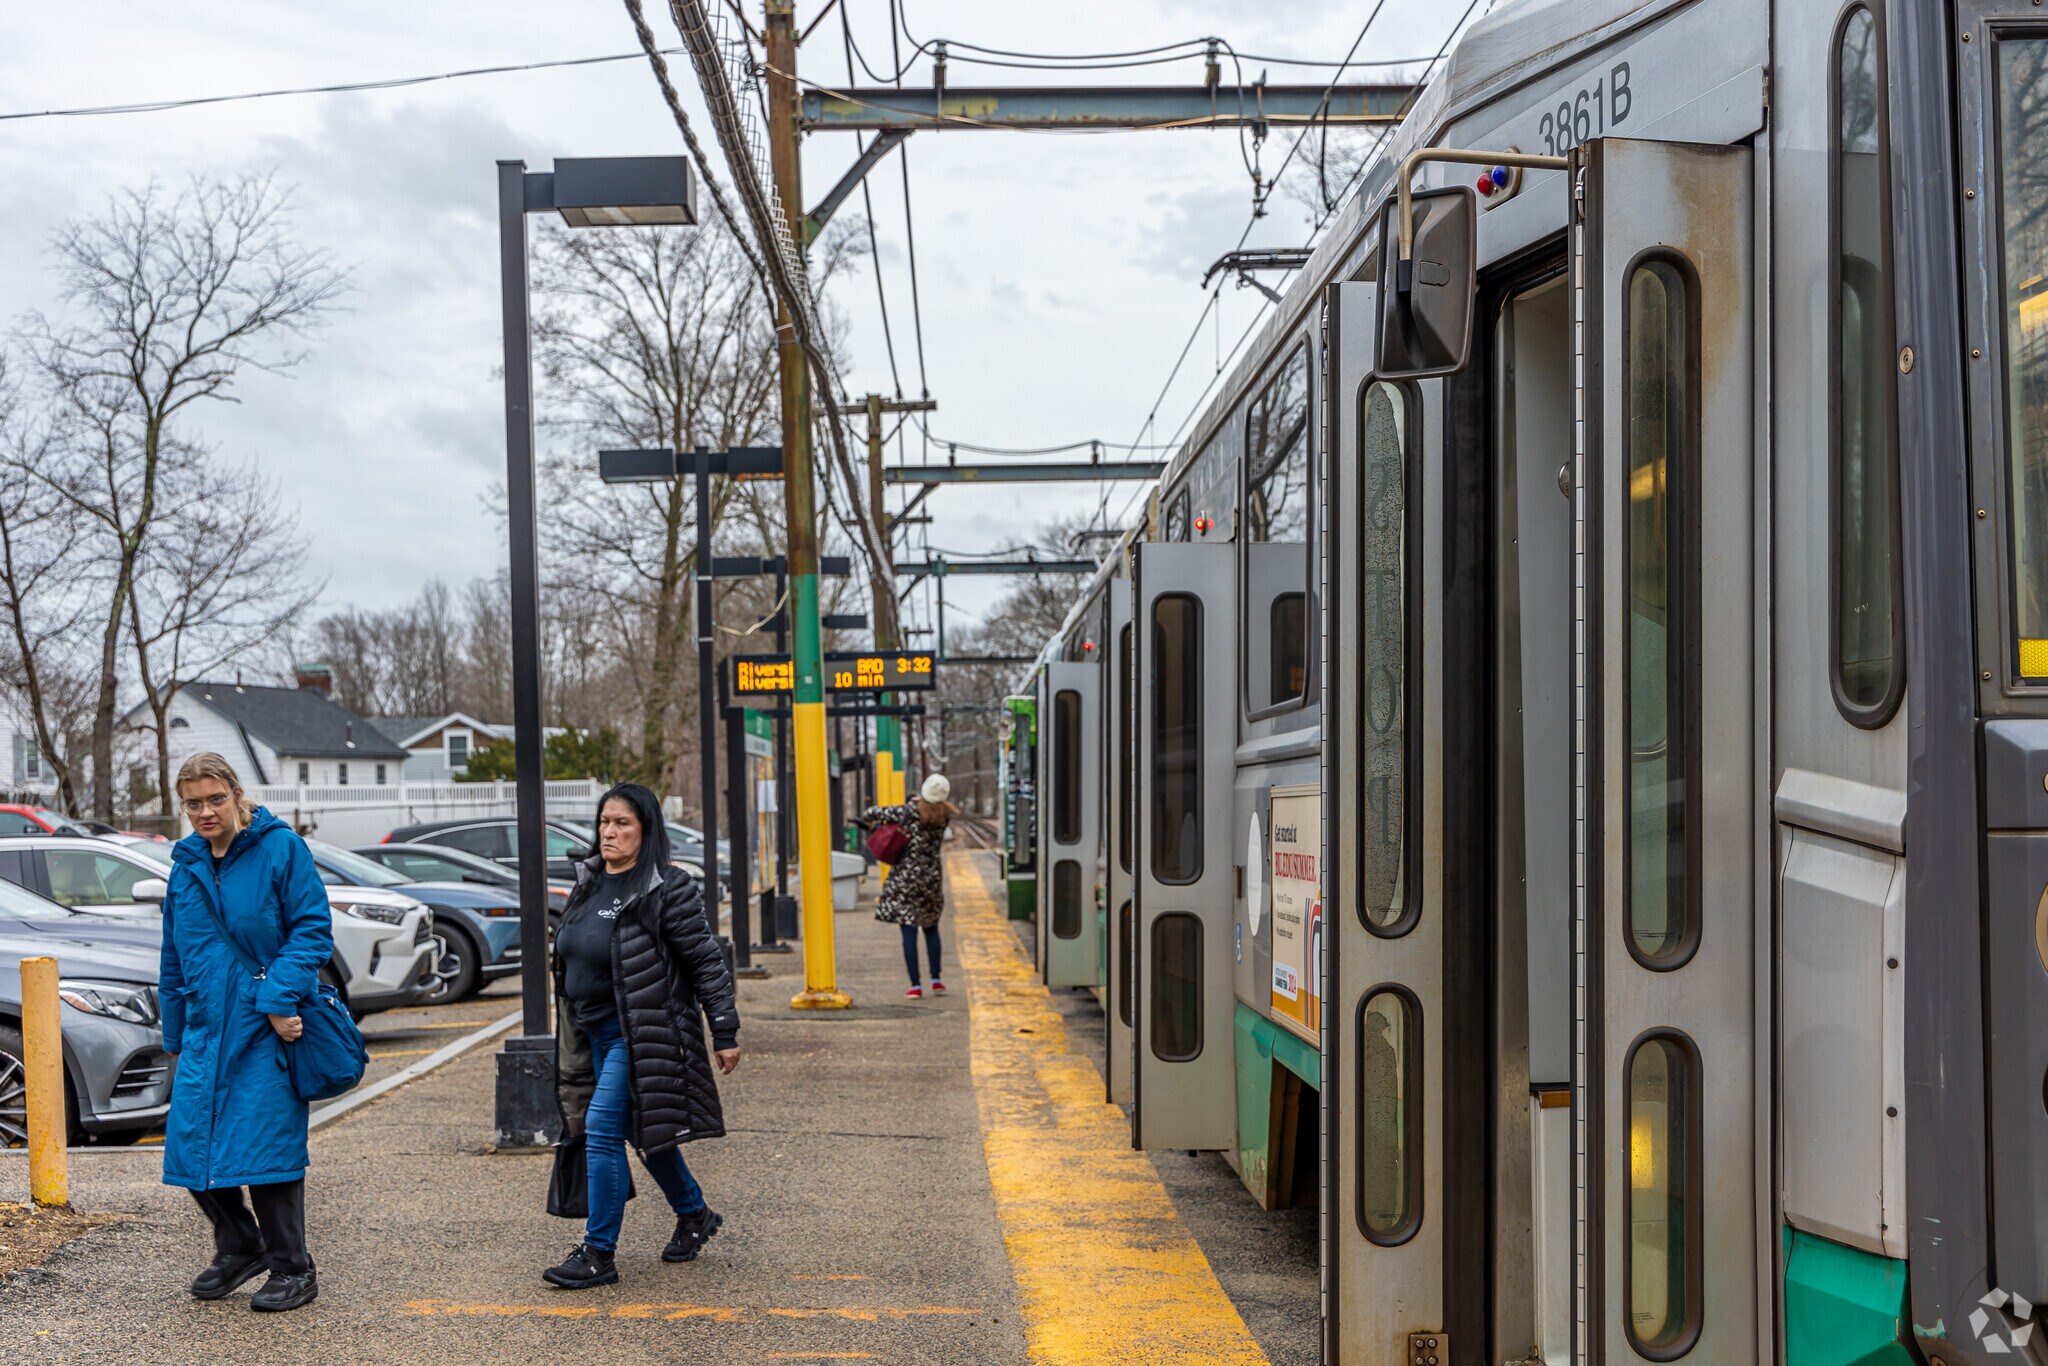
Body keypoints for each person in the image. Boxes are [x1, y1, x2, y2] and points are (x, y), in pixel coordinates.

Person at [544, 782, 742, 1290]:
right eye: (604, 822)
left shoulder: (666, 887)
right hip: (589, 1033)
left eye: (622, 823)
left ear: (645, 829)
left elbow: (704, 960)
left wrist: (724, 1029)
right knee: (644, 1131)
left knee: (603, 1129)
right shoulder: (588, 880)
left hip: (639, 1031)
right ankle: (695, 1214)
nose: (609, 832)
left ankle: (598, 1253)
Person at [158, 752, 335, 1312]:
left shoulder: (281, 848)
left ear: (236, 794)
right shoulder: (185, 866)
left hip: (264, 1026)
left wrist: (277, 999)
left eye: (214, 798)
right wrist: (176, 1031)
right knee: (190, 1148)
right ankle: (239, 1246)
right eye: (193, 803)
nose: (205, 811)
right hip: (208, 1029)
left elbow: (311, 930)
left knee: (266, 1150)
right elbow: (174, 954)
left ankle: (292, 1268)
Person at [861, 774, 958, 999]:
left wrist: (909, 804)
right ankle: (936, 980)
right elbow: (931, 808)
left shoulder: (909, 811)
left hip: (906, 879)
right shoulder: (945, 815)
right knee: (931, 928)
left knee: (908, 930)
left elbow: (872, 812)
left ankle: (915, 985)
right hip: (931, 879)